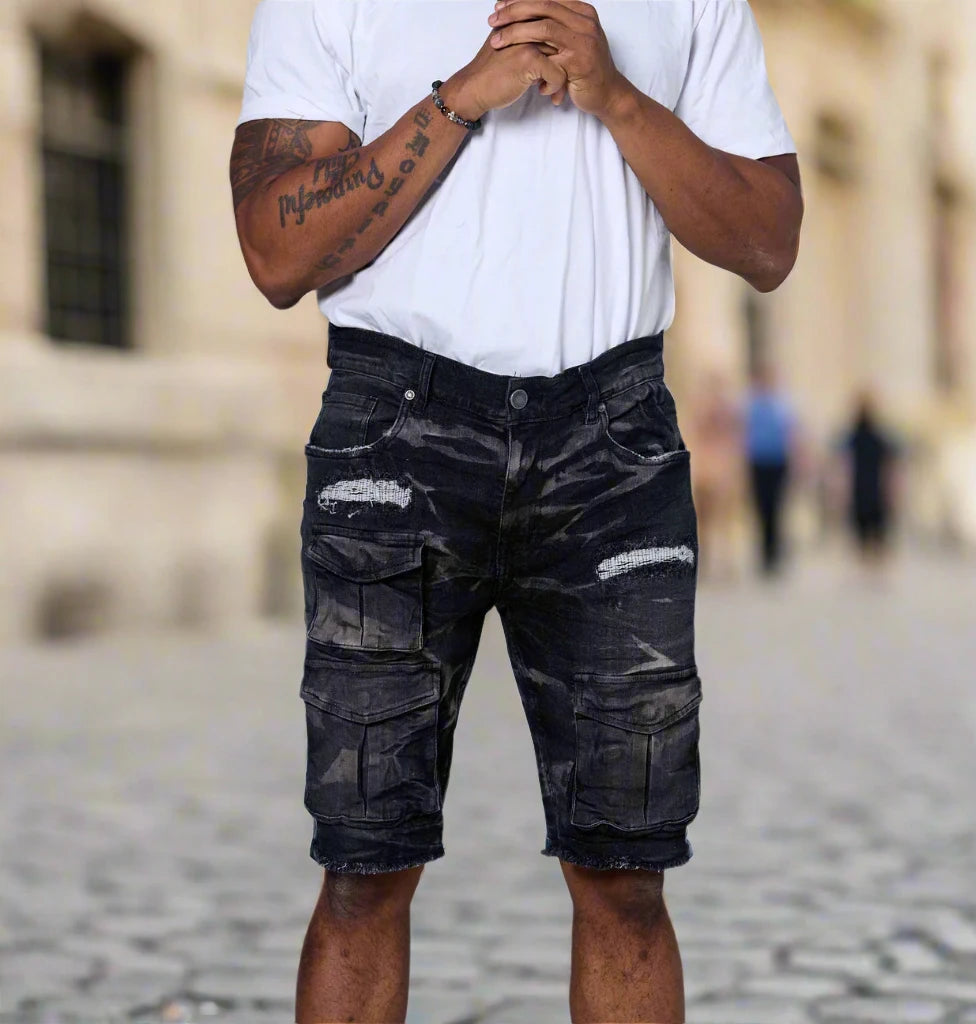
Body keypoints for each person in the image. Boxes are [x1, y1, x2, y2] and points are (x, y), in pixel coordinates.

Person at [230, 2, 802, 1021]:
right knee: (365, 863)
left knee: (625, 873)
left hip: (612, 442)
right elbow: (277, 255)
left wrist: (617, 96)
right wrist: (462, 99)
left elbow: (767, 241)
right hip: (393, 433)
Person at [689, 371, 745, 581]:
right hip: (710, 467)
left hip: (719, 467)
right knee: (706, 519)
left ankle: (724, 561)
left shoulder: (727, 411)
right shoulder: (706, 409)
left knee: (723, 518)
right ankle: (711, 560)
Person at [744, 365, 798, 576]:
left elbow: (791, 434)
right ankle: (764, 553)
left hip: (778, 462)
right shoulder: (750, 404)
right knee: (761, 507)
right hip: (757, 462)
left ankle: (775, 553)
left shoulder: (782, 404)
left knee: (777, 507)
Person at [841, 393, 900, 566]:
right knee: (869, 531)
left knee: (872, 531)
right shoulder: (862, 436)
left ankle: (872, 564)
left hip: (869, 488)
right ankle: (870, 565)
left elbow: (891, 464)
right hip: (867, 489)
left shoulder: (873, 437)